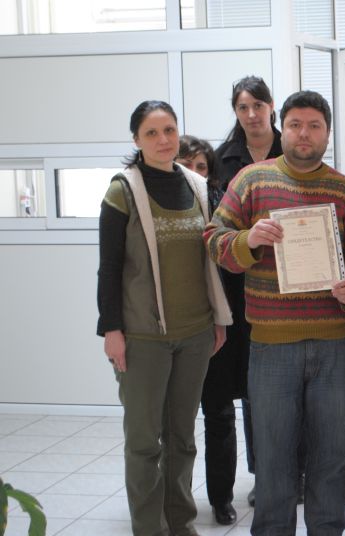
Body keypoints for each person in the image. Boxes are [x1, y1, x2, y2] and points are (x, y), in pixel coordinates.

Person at [205, 90, 345, 536]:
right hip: (271, 346)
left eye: (314, 126)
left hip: (335, 345)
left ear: (327, 133)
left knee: (331, 452)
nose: (305, 134)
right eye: (296, 124)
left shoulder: (344, 190)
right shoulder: (250, 181)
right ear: (283, 128)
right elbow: (214, 239)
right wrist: (248, 240)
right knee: (273, 454)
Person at [97, 100, 232, 536]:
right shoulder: (122, 191)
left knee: (182, 440)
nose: (163, 140)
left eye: (169, 130)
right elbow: (109, 268)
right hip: (142, 337)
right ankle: (149, 528)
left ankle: (181, 524)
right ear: (136, 139)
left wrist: (217, 319)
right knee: (144, 444)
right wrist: (111, 330)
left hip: (195, 333)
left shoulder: (196, 186)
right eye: (152, 133)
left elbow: (208, 261)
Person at [213, 75, 284, 512]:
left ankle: (290, 468)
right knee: (254, 388)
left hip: (288, 285)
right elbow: (217, 223)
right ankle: (263, 474)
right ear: (236, 112)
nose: (252, 114)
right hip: (237, 287)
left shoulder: (292, 149)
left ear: (272, 106)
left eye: (259, 105)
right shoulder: (223, 160)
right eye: (243, 107)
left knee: (285, 388)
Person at [176, 134, 242, 525]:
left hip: (217, 327)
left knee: (219, 415)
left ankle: (221, 498)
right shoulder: (160, 207)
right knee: (176, 423)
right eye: (186, 166)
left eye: (201, 167)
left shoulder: (223, 207)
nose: (194, 173)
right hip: (174, 328)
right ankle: (176, 500)